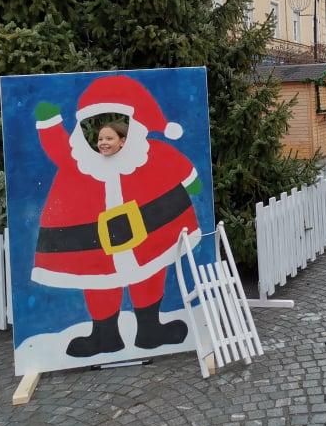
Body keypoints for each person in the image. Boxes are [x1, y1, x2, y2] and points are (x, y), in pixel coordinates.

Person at [32, 75, 202, 359]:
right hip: (92, 237)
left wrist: (189, 178)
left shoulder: (147, 153)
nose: (101, 142)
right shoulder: (78, 160)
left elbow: (171, 161)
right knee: (99, 281)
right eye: (94, 134)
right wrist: (49, 123)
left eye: (109, 136)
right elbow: (57, 147)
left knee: (149, 274)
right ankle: (105, 334)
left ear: (127, 135)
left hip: (147, 230)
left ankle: (150, 330)